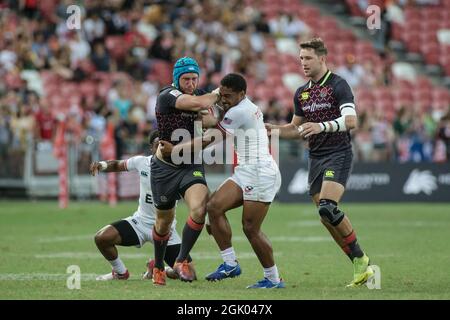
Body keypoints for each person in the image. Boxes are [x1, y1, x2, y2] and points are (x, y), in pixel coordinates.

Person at [265, 38, 373, 287]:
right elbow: (296, 128)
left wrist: (321, 126)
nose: (303, 63)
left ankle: (360, 258)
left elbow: (351, 121)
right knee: (326, 218)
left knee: (327, 207)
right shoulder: (301, 92)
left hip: (338, 152)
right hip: (315, 157)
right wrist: (274, 130)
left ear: (322, 58)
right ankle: (358, 262)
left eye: (308, 58)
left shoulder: (338, 85)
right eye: (301, 58)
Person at [161, 73, 285, 289]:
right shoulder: (241, 106)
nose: (223, 100)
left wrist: (176, 150)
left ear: (242, 94)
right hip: (246, 170)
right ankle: (230, 264)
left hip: (259, 172)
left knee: (250, 228)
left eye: (228, 96)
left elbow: (210, 139)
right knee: (213, 207)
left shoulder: (239, 111)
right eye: (222, 95)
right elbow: (214, 120)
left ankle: (273, 279)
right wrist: (199, 115)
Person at [150, 56, 220, 285]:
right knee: (163, 222)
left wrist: (208, 113)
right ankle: (158, 266)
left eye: (194, 78)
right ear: (176, 79)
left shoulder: (199, 95)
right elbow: (197, 105)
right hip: (165, 168)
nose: (191, 83)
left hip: (190, 165)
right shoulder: (167, 95)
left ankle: (181, 260)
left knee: (200, 208)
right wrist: (220, 91)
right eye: (186, 79)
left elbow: (211, 121)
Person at [90, 130, 190, 281]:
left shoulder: (178, 169)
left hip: (167, 230)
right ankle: (120, 272)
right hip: (141, 223)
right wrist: (102, 165)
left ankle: (160, 268)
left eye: (164, 145)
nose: (161, 149)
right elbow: (118, 165)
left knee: (187, 275)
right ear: (151, 147)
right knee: (102, 238)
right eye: (158, 145)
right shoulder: (142, 162)